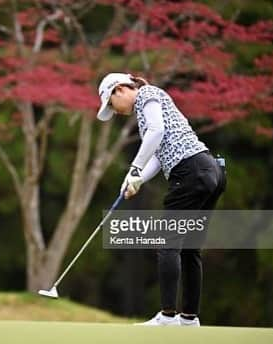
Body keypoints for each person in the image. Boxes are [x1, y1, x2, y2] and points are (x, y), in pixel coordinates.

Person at [96, 73, 226, 326]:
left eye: (111, 104)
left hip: (190, 173)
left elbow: (157, 132)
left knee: (168, 244)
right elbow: (157, 152)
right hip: (209, 173)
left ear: (120, 89)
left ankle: (167, 316)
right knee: (189, 249)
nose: (115, 110)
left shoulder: (147, 95)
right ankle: (189, 319)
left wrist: (133, 168)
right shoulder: (147, 110)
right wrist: (137, 179)